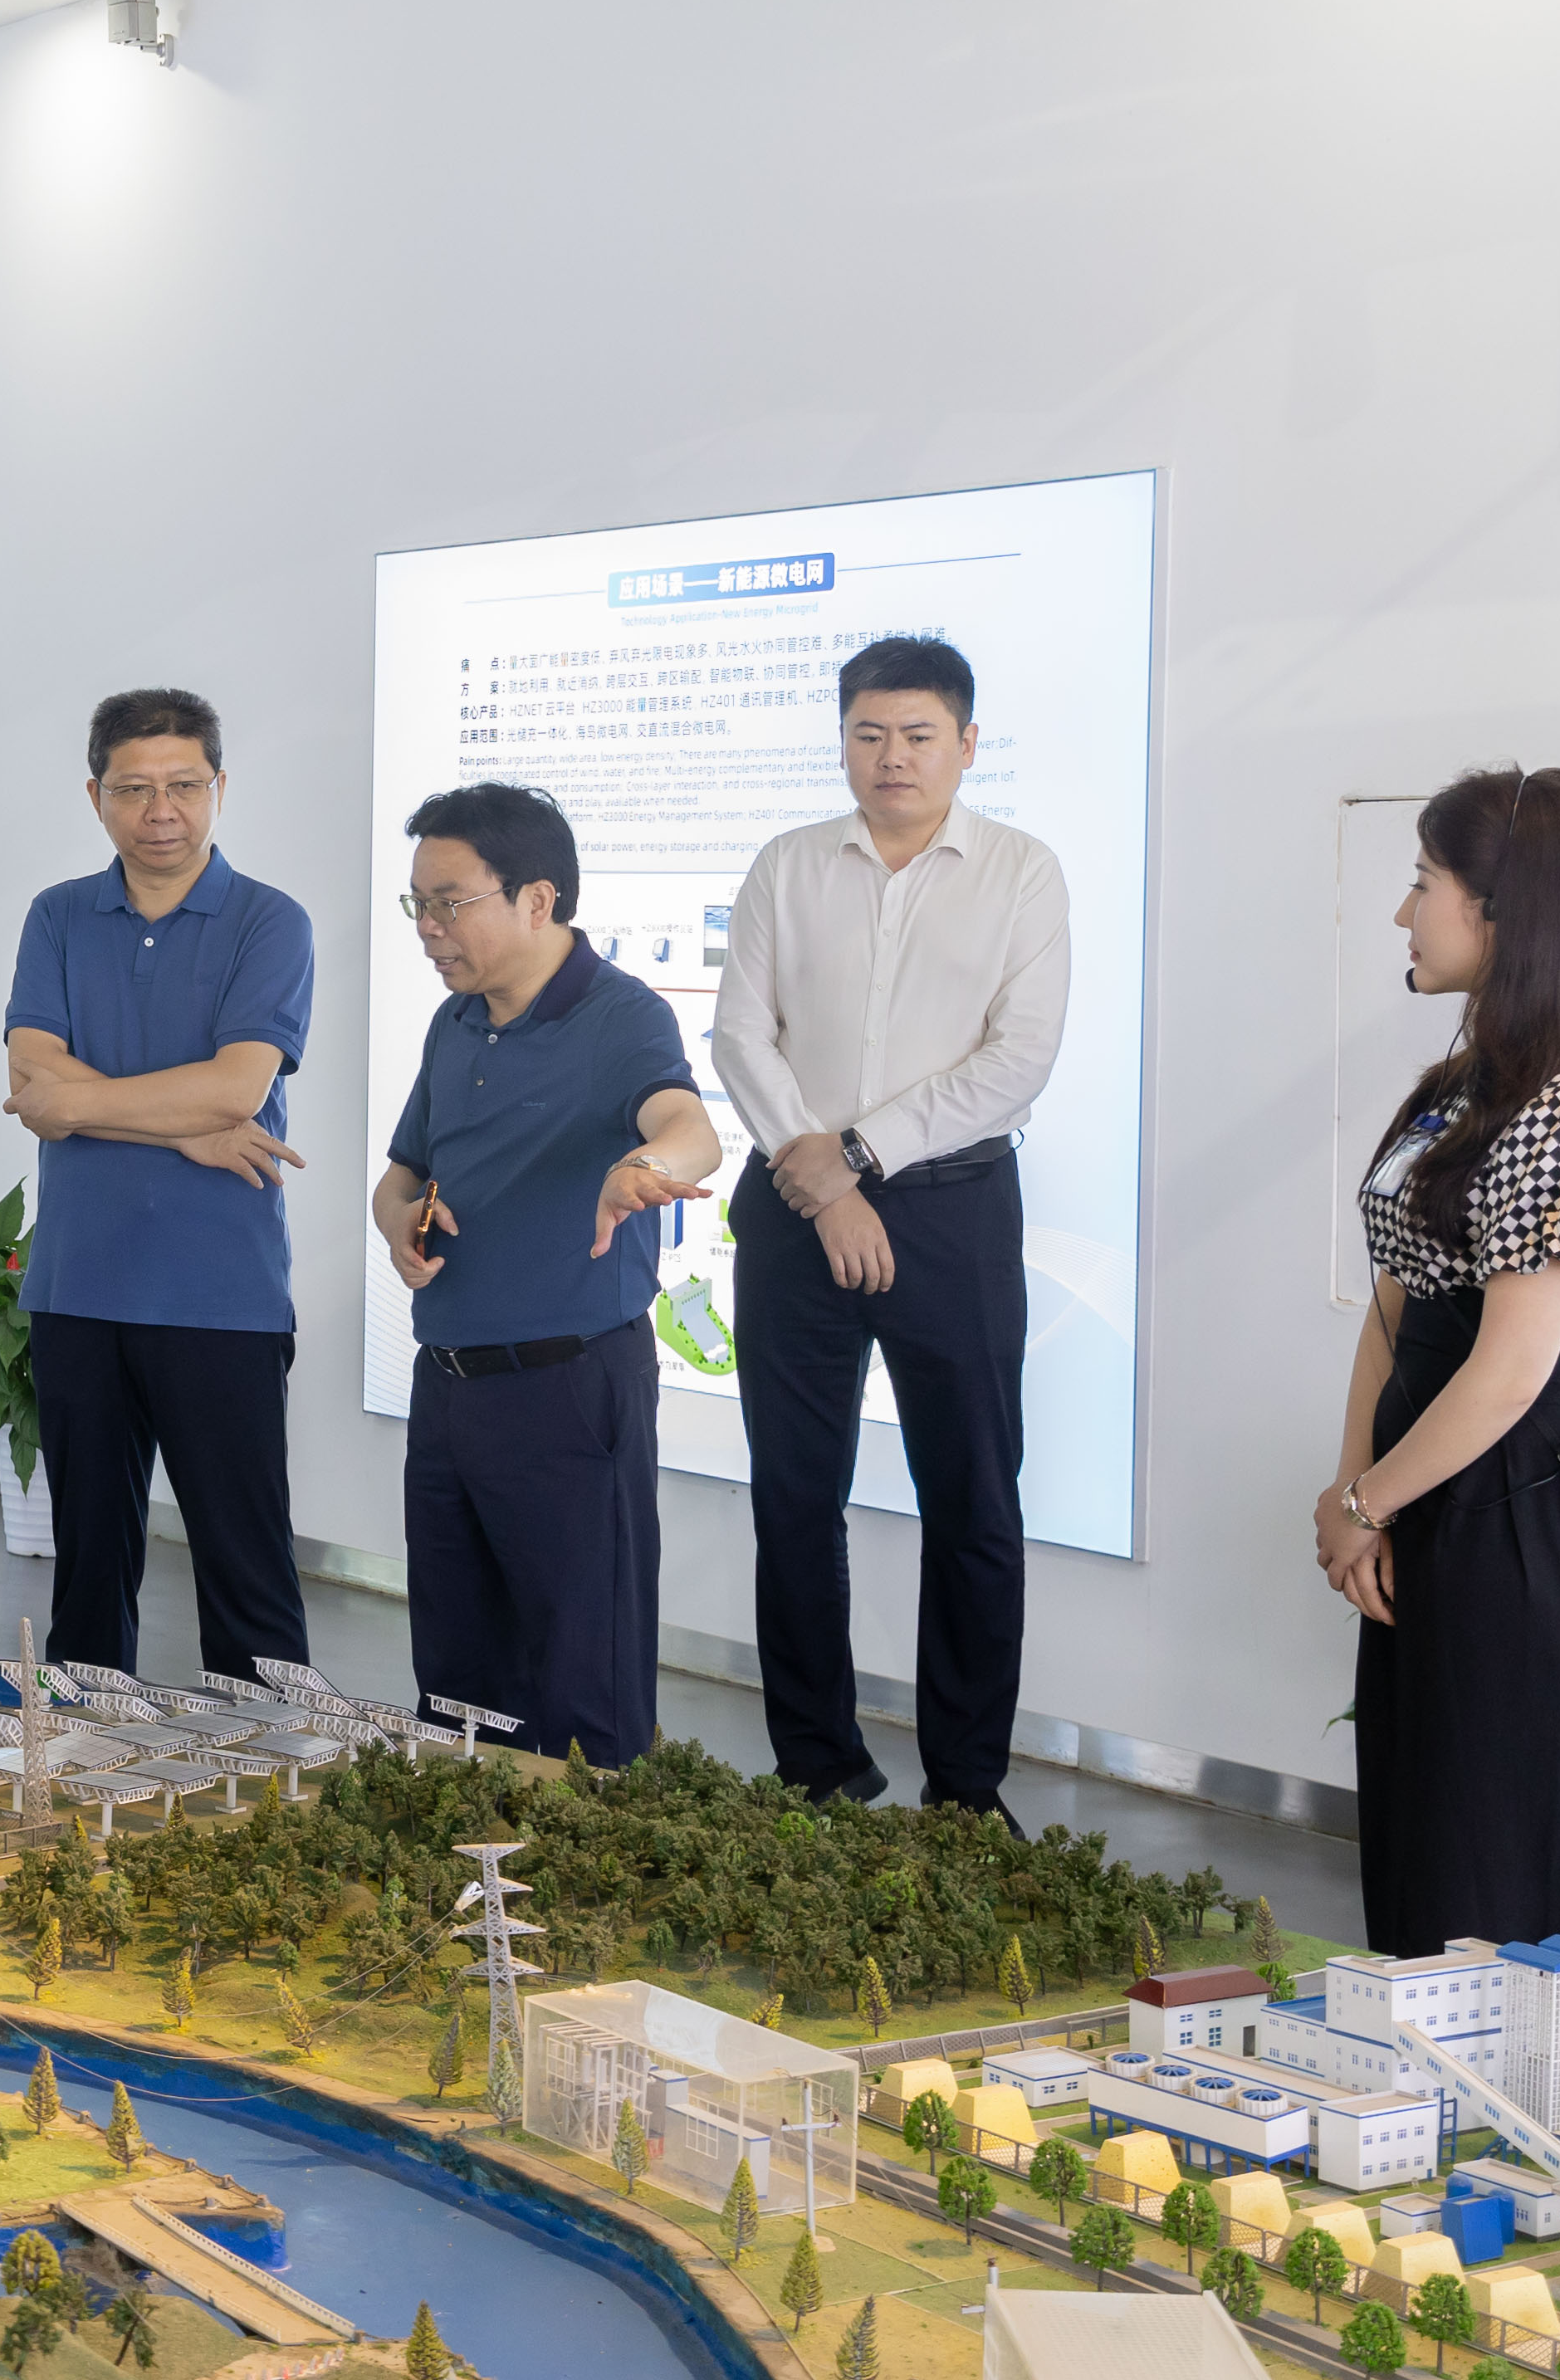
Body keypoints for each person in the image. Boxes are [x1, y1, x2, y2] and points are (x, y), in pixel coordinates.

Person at [712, 638, 1070, 1820]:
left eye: (917, 735)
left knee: (973, 1499)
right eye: (868, 734)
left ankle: (965, 1787)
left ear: (965, 744)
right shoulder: (788, 863)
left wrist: (857, 1154)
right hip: (793, 1208)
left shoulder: (1020, 873)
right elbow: (739, 1035)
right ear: (842, 742)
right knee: (792, 1494)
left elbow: (1017, 1058)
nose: (891, 757)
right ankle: (816, 1765)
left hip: (951, 1211)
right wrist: (824, 1182)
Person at [1319, 769, 1560, 1957]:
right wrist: (1355, 1488)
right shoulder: (1466, 1085)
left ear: (1506, 910)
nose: (1402, 911)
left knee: (1490, 1875)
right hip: (1427, 1496)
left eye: (1424, 882)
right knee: (1418, 1855)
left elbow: (1512, 1368)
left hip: (1517, 1514)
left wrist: (1366, 1501)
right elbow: (1395, 1302)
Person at [372, 784, 719, 1767]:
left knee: (583, 1680)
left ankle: (589, 1855)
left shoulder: (621, 1014)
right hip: (449, 1386)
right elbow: (400, 1176)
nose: (429, 928)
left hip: (568, 1387)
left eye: (450, 903)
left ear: (537, 898)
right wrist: (400, 1222)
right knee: (457, 1679)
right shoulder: (456, 1021)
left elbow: (690, 1128)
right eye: (419, 904)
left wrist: (643, 1168)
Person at [2, 687, 316, 1682]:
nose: (160, 810)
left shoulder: (270, 920)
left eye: (183, 785)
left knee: (246, 1572)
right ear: (95, 795)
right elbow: (30, 1083)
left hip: (220, 1292)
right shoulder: (58, 915)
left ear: (219, 787)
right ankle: (79, 1756)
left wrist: (89, 1101)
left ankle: (273, 1756)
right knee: (88, 1573)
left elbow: (237, 1086)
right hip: (78, 1287)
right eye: (133, 788)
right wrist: (188, 1130)